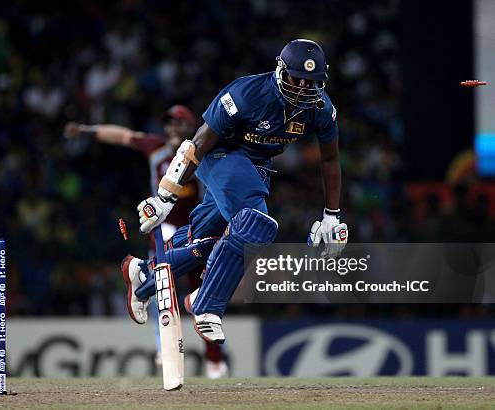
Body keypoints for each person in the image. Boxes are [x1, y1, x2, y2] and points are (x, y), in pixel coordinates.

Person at [125, 39, 348, 344]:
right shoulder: (246, 93)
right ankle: (205, 304)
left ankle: (142, 277)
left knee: (211, 242)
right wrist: (166, 195)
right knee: (257, 224)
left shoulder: (320, 108)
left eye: (312, 83)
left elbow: (330, 159)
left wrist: (331, 215)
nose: (302, 90)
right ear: (280, 71)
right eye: (297, 80)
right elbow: (199, 142)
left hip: (255, 169)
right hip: (220, 156)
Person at [63, 105, 229, 378]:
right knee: (162, 287)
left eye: (179, 124)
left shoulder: (204, 149)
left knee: (205, 297)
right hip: (164, 232)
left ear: (192, 128)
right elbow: (123, 136)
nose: (173, 129)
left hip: (197, 231)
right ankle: (164, 346)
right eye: (169, 124)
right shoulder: (156, 148)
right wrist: (86, 130)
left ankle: (214, 361)